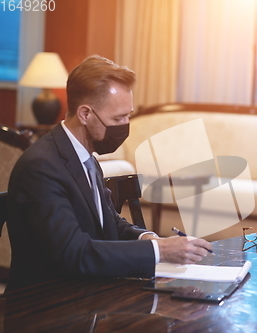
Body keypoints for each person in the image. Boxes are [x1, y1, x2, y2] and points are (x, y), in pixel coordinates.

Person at [6, 55, 212, 291]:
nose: (125, 125)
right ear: (85, 114)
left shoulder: (85, 156)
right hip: (44, 305)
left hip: (87, 292)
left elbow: (108, 222)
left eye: (128, 116)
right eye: (117, 118)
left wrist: (149, 239)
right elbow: (74, 253)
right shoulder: (41, 167)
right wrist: (160, 251)